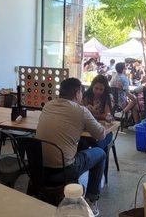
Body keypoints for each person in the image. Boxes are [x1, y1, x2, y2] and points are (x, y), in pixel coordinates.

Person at [36, 78, 109, 216]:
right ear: (77, 93)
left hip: (38, 167)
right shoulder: (81, 111)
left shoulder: (48, 105)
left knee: (80, 143)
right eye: (81, 92)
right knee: (100, 153)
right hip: (64, 170)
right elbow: (101, 135)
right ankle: (92, 199)